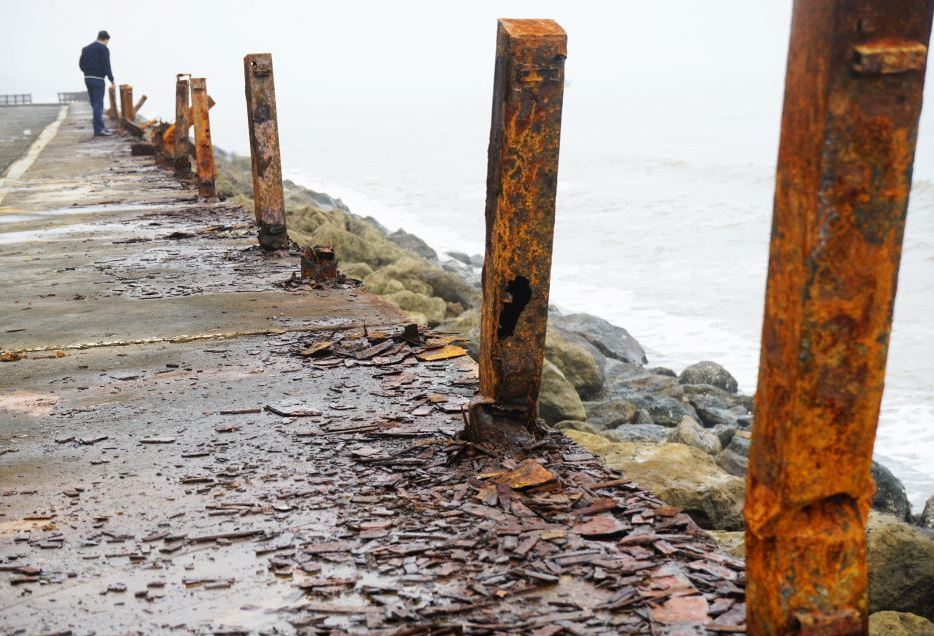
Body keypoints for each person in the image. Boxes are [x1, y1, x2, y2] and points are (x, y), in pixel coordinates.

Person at [79, 31, 114, 137]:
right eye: (107, 41)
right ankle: (98, 130)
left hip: (87, 78)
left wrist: (87, 72)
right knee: (98, 104)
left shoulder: (86, 49)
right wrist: (112, 80)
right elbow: (106, 65)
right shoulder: (103, 49)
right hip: (98, 79)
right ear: (105, 39)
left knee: (94, 104)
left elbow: (81, 64)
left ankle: (101, 127)